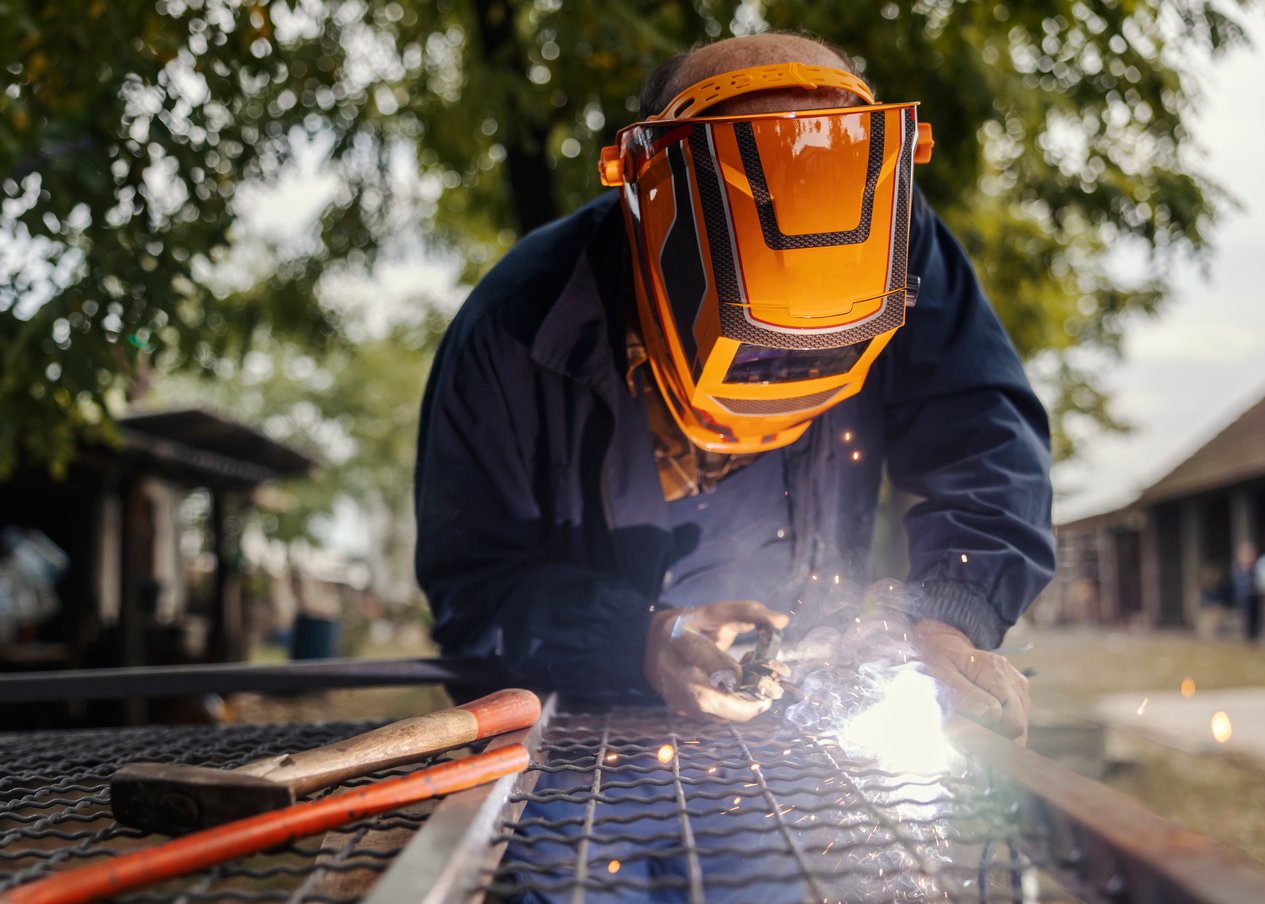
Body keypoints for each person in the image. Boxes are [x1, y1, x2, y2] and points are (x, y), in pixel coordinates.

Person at [415, 32, 1054, 738]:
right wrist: (638, 639)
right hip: (584, 737)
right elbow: (472, 591)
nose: (782, 373)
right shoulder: (517, 327)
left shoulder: (908, 247)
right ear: (654, 209)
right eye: (756, 347)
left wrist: (949, 617)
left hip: (799, 726)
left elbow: (985, 444)